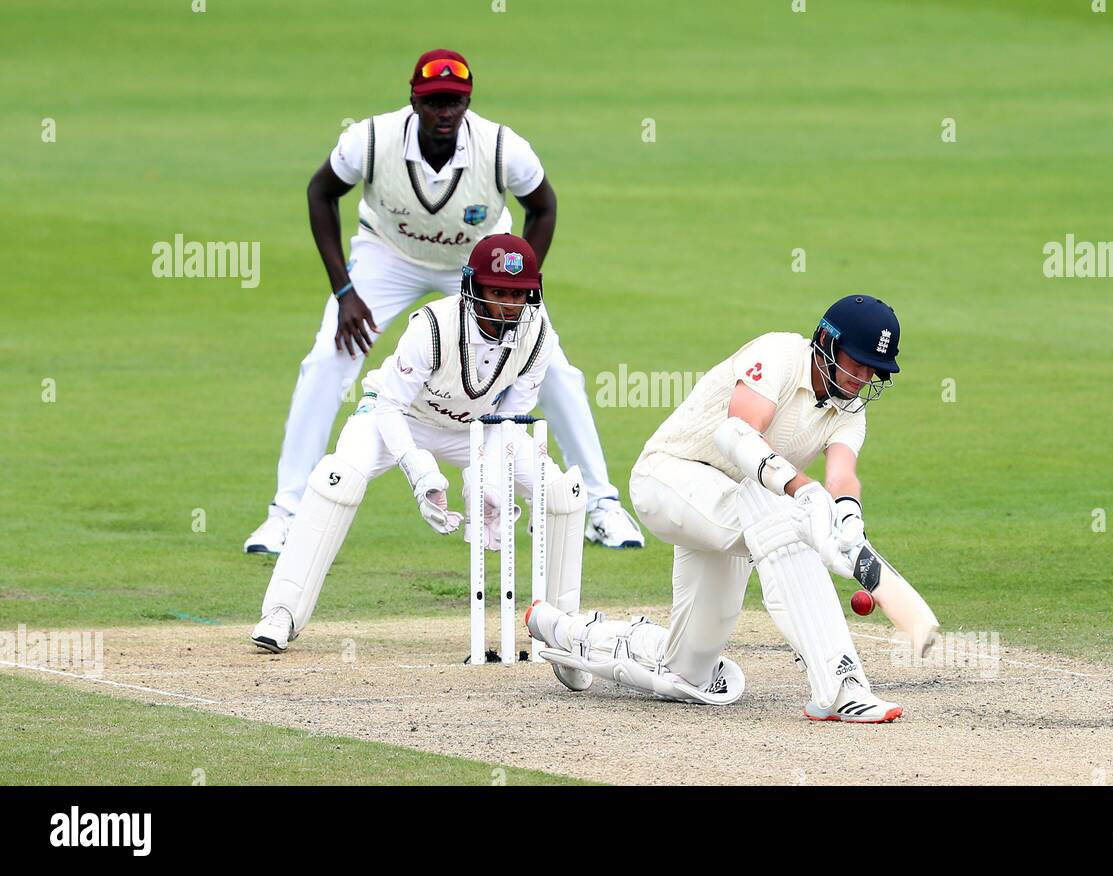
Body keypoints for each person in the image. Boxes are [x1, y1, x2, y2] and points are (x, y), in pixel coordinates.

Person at [244, 48, 643, 556]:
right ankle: (287, 513)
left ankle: (601, 506)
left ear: (468, 101)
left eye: (454, 102)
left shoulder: (502, 147)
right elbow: (320, 193)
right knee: (328, 358)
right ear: (413, 99)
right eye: (433, 102)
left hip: (479, 263)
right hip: (387, 255)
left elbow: (542, 207)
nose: (444, 112)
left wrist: (517, 287)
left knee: (557, 370)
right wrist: (344, 291)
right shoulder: (368, 139)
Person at [526, 295, 940, 722]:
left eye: (875, 369)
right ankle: (841, 686)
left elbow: (842, 477)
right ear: (826, 341)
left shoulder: (850, 409)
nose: (863, 377)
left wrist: (848, 516)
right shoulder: (777, 353)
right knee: (787, 519)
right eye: (857, 362)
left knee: (688, 672)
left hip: (737, 509)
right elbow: (737, 434)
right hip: (668, 479)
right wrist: (804, 491)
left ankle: (566, 632)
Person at [251, 235, 586, 652]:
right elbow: (390, 405)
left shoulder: (539, 338)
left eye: (519, 295)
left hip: (480, 428)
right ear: (472, 288)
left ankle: (566, 630)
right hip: (400, 418)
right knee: (338, 480)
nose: (508, 306)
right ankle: (282, 613)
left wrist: (488, 480)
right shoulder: (431, 325)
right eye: (497, 292)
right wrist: (418, 469)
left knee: (562, 493)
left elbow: (509, 419)